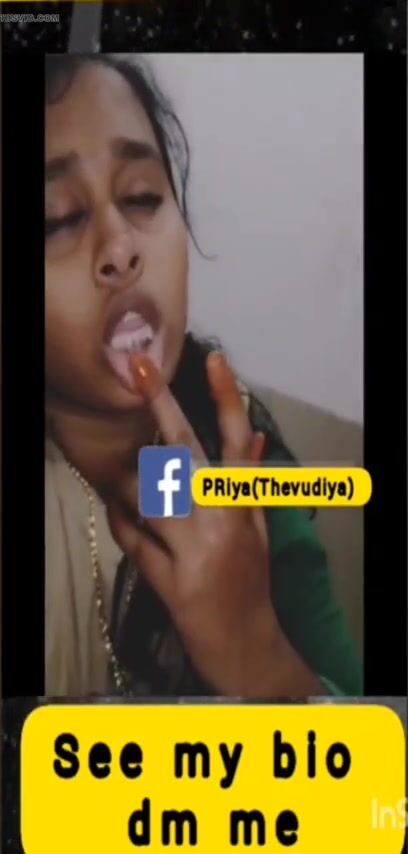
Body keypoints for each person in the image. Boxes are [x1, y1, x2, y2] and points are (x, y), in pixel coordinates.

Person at [45, 54, 362, 698]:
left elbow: (375, 745)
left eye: (141, 197)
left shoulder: (252, 472)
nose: (120, 247)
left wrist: (253, 647)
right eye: (58, 218)